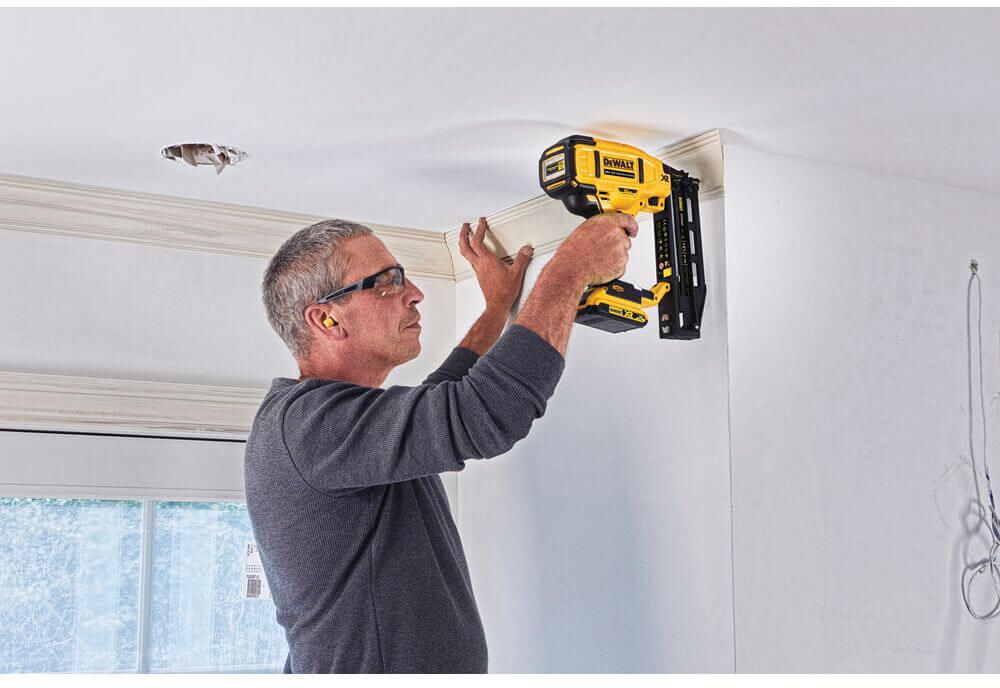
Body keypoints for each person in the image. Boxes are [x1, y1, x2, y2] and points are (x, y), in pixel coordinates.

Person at [245, 212, 638, 673]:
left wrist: (496, 311)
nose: (415, 293)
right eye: (386, 283)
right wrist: (569, 269)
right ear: (326, 318)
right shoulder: (307, 426)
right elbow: (483, 411)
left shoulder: (325, 426)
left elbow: (442, 399)